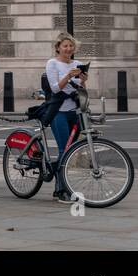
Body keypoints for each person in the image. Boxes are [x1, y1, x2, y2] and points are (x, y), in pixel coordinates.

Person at [45, 32, 87, 202]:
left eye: (71, 46)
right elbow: (55, 88)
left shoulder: (77, 63)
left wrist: (83, 79)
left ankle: (63, 185)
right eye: (65, 46)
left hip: (74, 111)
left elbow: (79, 88)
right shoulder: (52, 63)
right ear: (58, 48)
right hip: (58, 111)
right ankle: (59, 189)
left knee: (70, 150)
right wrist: (68, 75)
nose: (68, 49)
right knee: (64, 148)